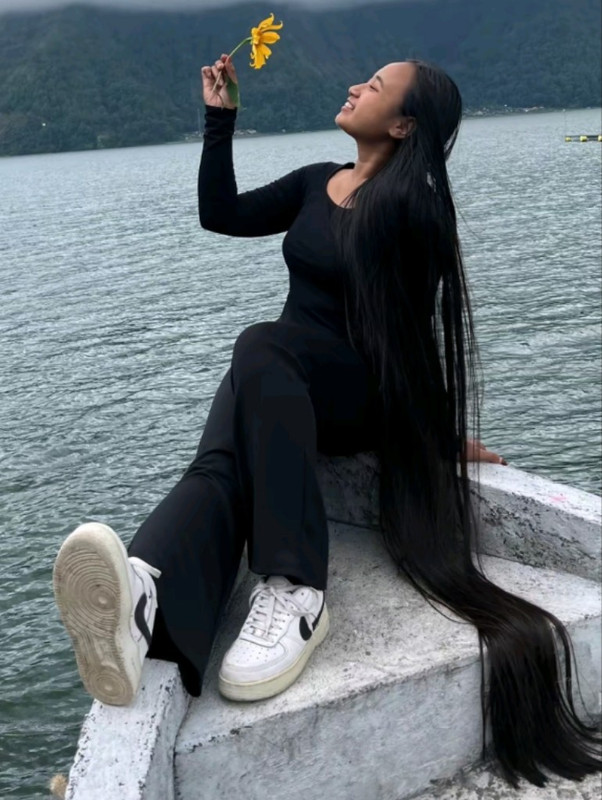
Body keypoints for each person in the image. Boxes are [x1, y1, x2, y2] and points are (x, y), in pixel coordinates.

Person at [53, 55, 600, 789]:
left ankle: (297, 588)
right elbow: (221, 215)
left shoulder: (414, 210)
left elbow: (415, 340)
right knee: (228, 449)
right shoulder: (317, 181)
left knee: (257, 346)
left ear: (402, 125)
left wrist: (439, 434)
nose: (354, 88)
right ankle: (147, 587)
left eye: (373, 87)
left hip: (356, 400)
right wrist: (220, 120)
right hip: (283, 384)